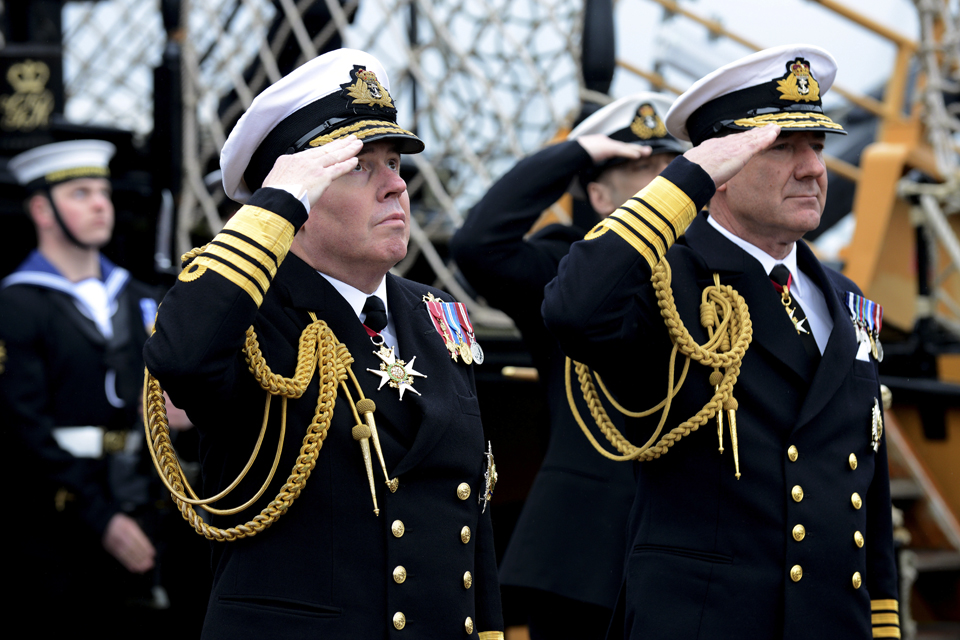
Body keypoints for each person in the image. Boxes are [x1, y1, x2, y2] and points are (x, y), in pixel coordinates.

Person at [143, 48, 504, 639]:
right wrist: (273, 207)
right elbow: (181, 358)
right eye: (361, 167)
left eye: (394, 163)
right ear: (300, 203)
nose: (396, 186)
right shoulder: (248, 314)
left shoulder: (435, 316)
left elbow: (470, 513)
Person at [542, 44, 899, 639]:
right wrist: (686, 179)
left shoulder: (845, 297)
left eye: (817, 147)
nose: (812, 168)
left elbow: (868, 473)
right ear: (722, 172)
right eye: (782, 148)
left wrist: (882, 623)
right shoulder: (668, 277)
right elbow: (574, 309)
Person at [451, 93, 685, 638]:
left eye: (669, 167)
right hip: (584, 552)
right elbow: (479, 244)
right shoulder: (563, 270)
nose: (662, 181)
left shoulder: (716, 278)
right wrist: (575, 152)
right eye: (640, 169)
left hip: (697, 548)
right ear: (599, 195)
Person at [0, 139, 167, 632]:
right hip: (55, 525)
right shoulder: (17, 304)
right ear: (41, 209)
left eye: (103, 191)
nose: (100, 203)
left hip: (145, 501)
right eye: (80, 192)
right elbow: (19, 429)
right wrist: (102, 518)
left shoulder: (140, 297)